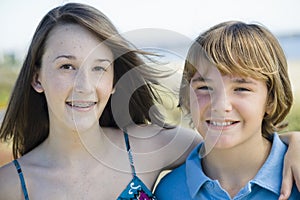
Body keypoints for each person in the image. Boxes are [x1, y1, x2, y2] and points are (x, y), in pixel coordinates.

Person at [0, 4, 298, 199]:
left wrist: (293, 142)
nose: (84, 86)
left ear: (115, 80)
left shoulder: (151, 146)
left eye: (99, 68)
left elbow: (230, 137)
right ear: (37, 78)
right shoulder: (10, 185)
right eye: (67, 67)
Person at [154, 21, 300, 199]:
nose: (221, 105)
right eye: (205, 87)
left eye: (241, 89)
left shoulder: (296, 177)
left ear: (270, 100)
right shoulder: (169, 191)